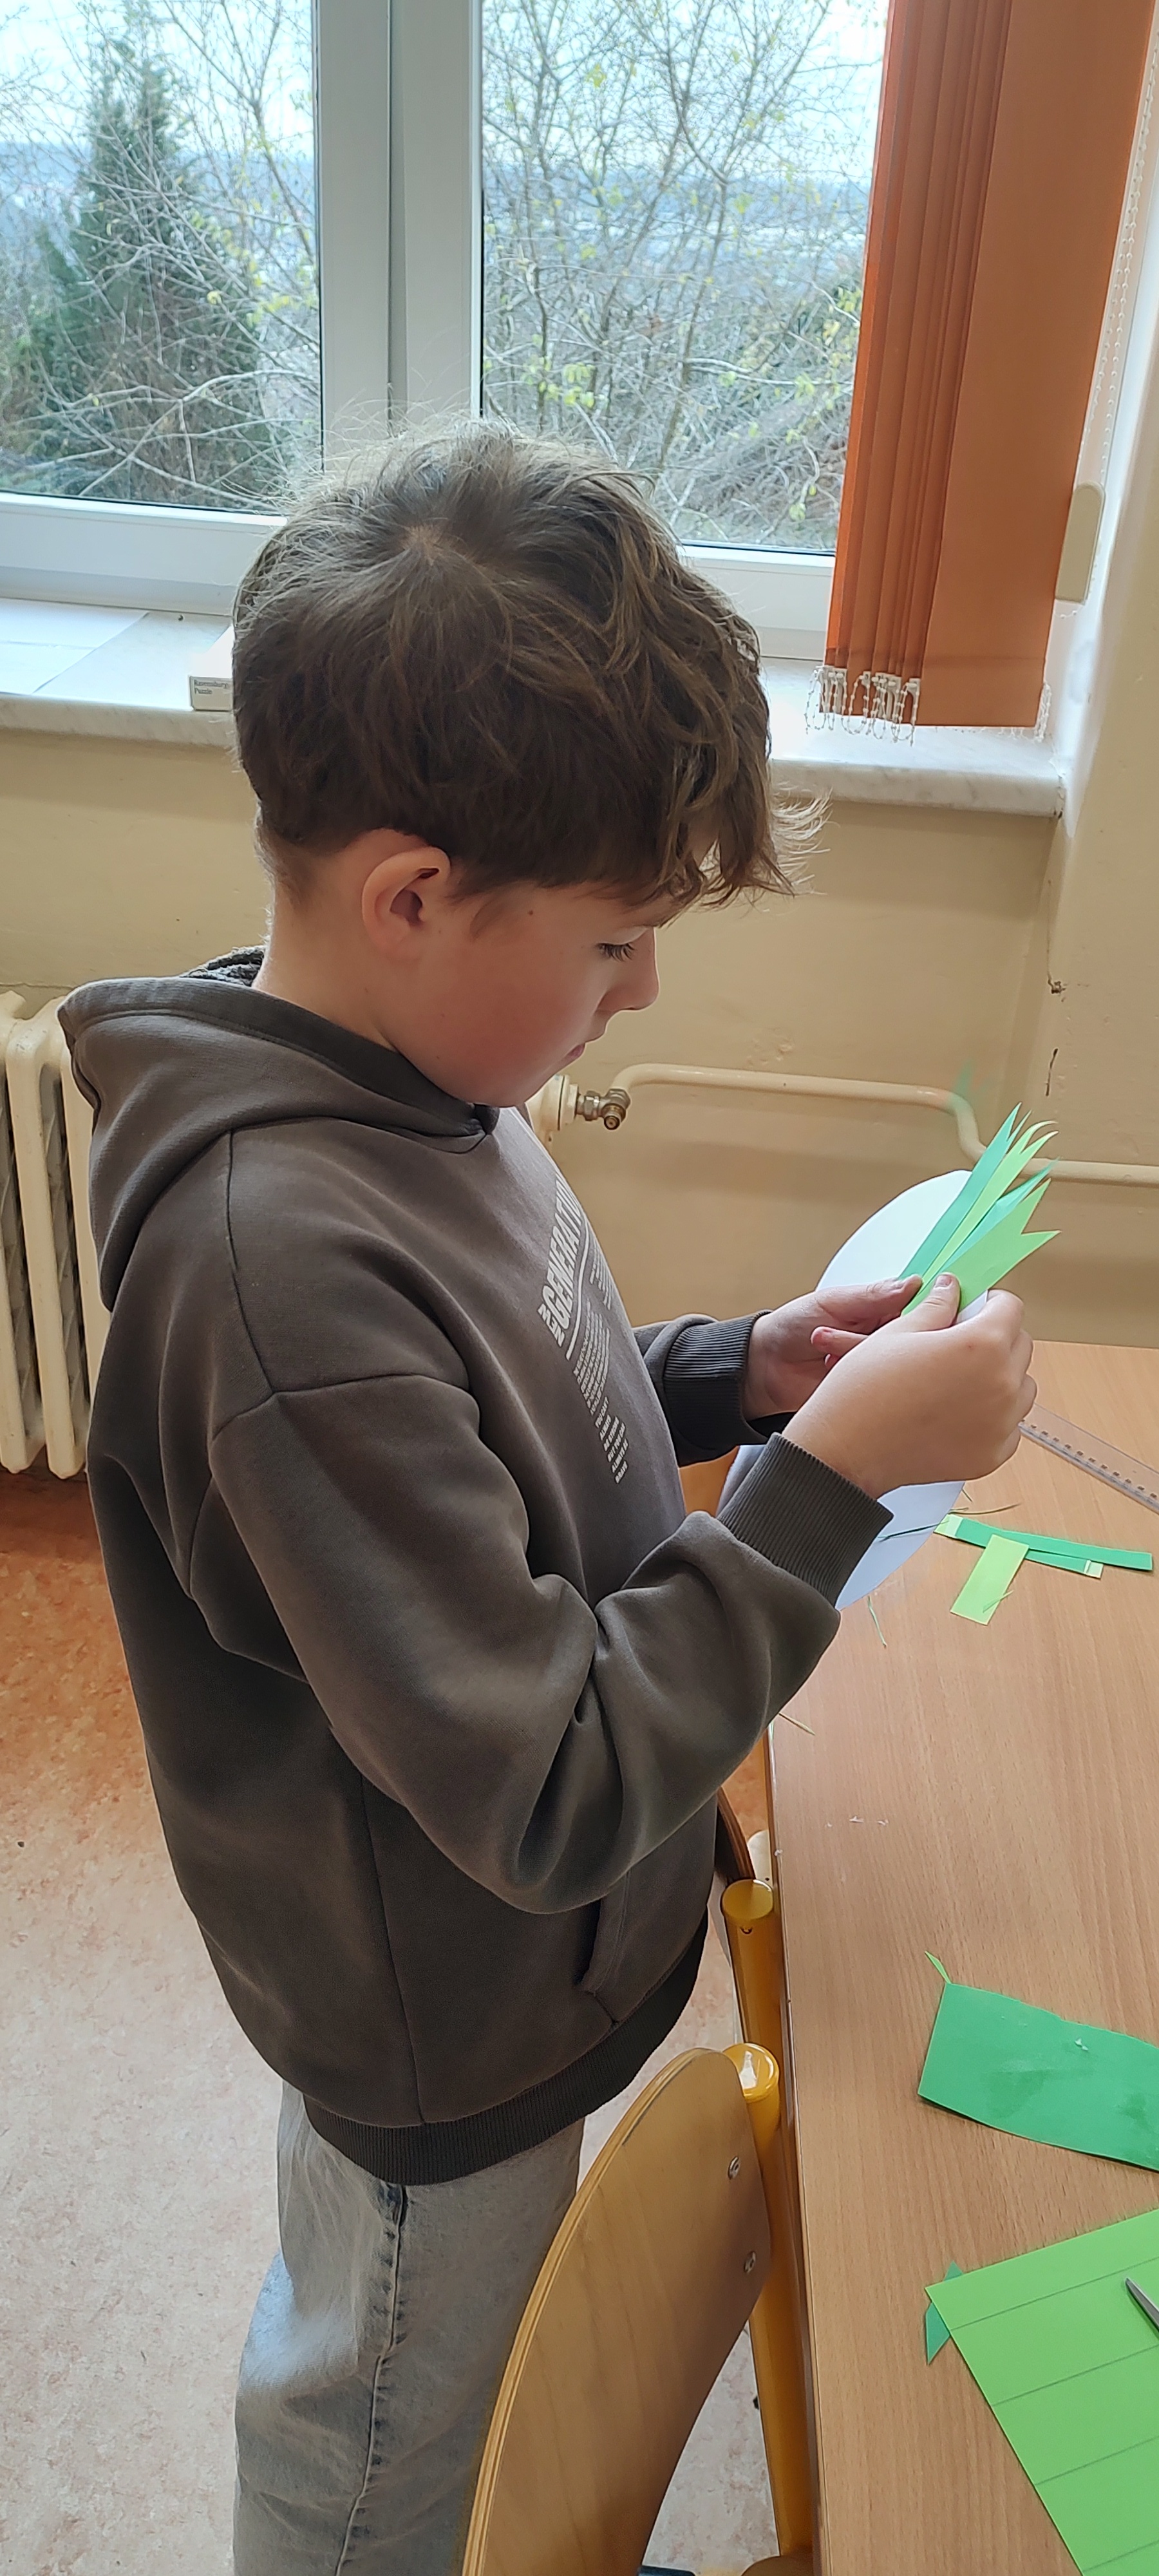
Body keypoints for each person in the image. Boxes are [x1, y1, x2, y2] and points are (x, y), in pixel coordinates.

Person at [61, 426, 1034, 2576]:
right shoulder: (281, 1269)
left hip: (507, 1960)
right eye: (615, 942)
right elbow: (549, 1789)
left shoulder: (418, 1073)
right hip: (446, 2011)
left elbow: (510, 1407)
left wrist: (738, 1372)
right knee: (386, 2421)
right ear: (415, 897)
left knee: (437, 2363)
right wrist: (824, 1484)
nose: (643, 989)